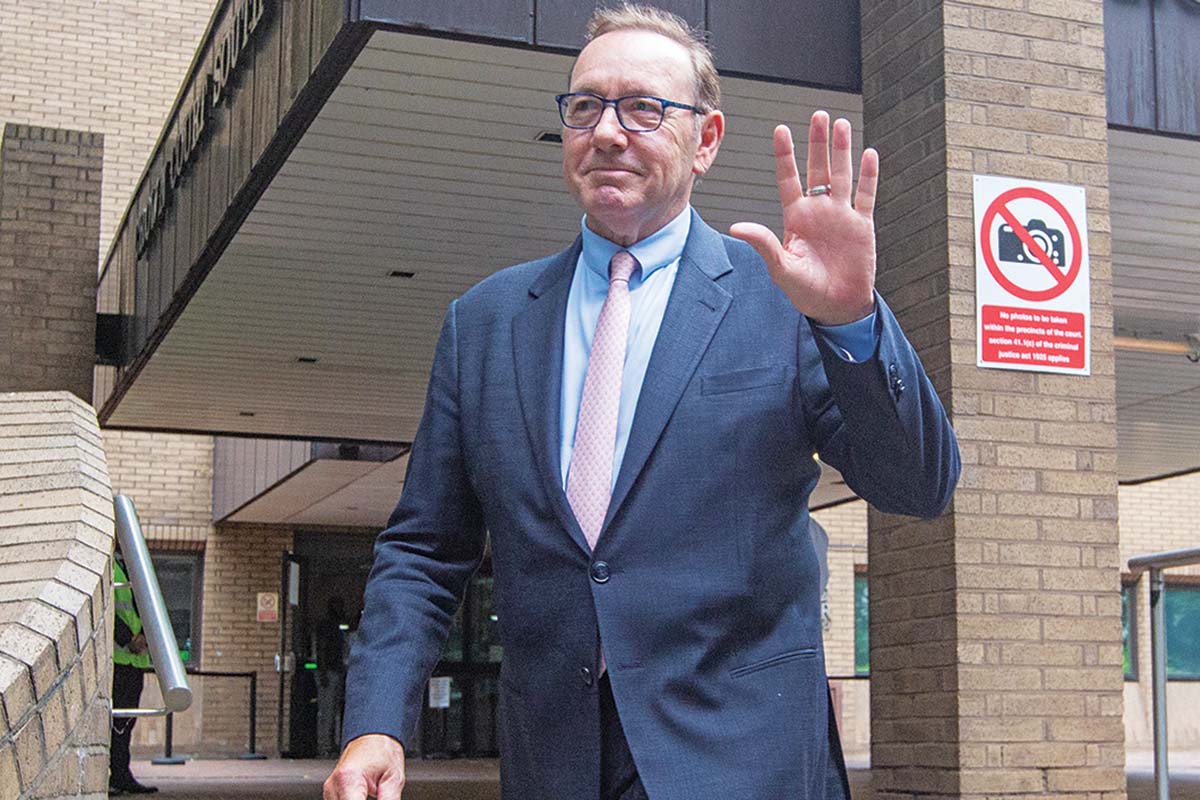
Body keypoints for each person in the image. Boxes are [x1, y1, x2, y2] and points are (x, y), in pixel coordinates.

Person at [326, 5, 959, 799]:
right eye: (586, 106)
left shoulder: (783, 301)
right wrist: (376, 722)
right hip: (554, 766)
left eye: (643, 108)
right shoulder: (484, 323)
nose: (607, 131)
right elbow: (424, 550)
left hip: (743, 766)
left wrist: (850, 322)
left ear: (707, 139)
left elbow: (918, 485)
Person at [110, 554, 158, 795]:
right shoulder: (110, 564)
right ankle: (117, 775)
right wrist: (128, 639)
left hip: (135, 661)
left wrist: (147, 635)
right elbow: (107, 609)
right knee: (116, 723)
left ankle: (121, 774)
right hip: (119, 658)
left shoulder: (130, 563)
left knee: (126, 722)